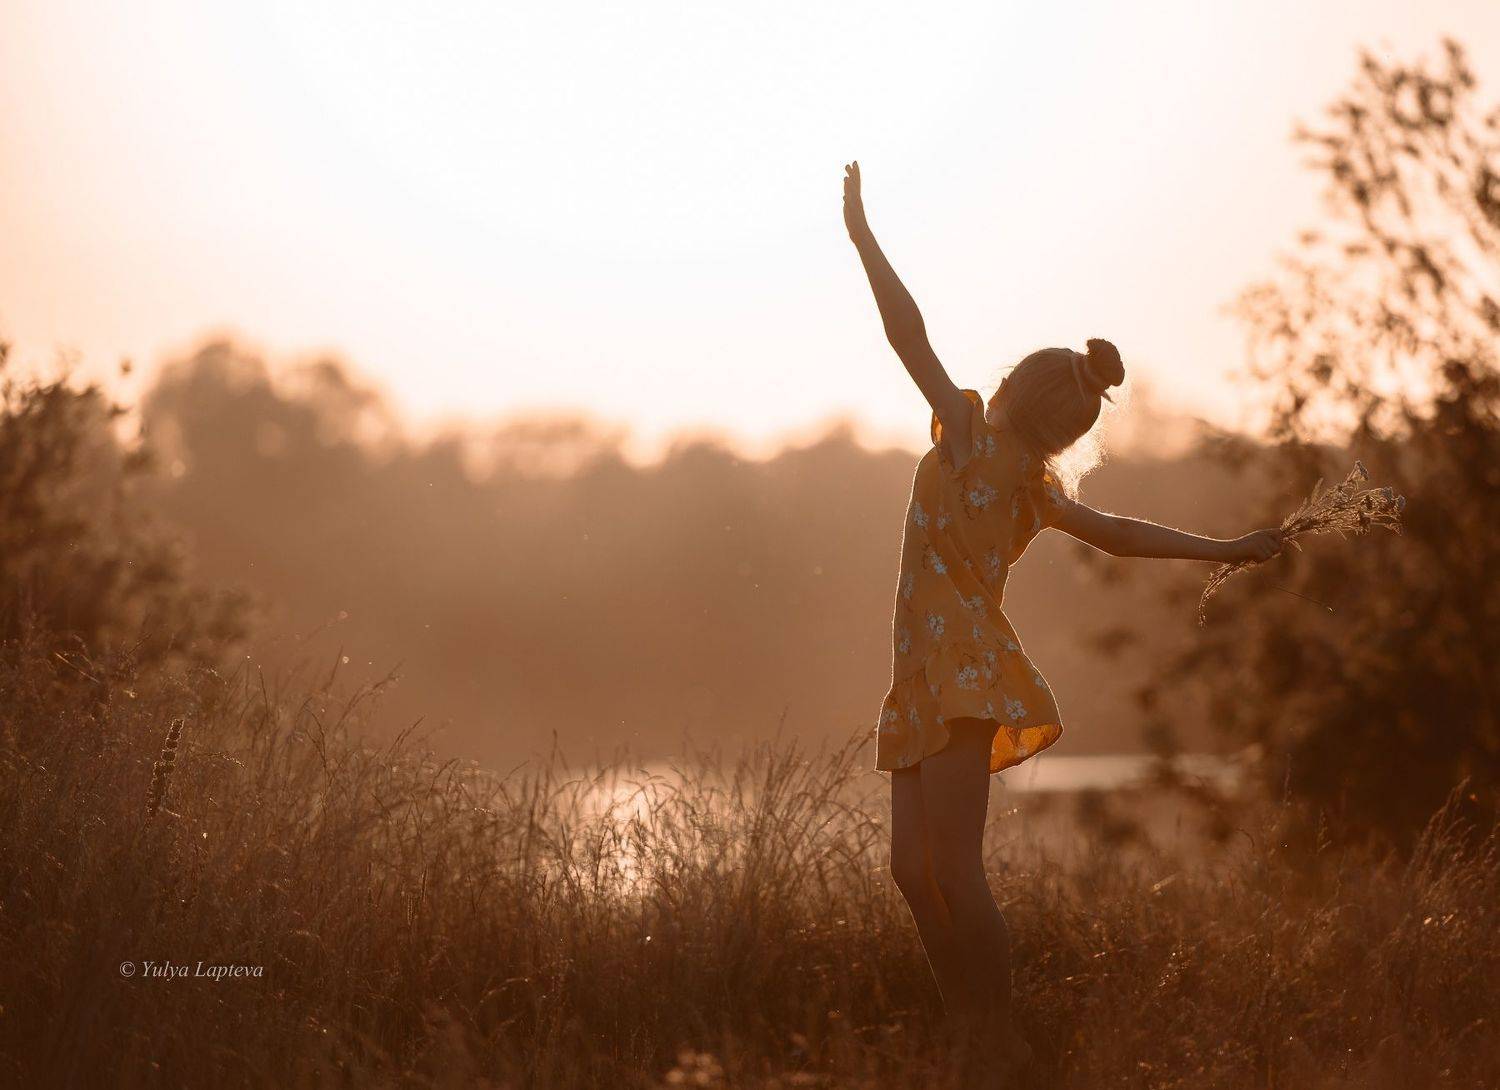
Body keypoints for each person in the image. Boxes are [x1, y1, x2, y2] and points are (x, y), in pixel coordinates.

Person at [842, 160, 1282, 1081]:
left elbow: (906, 333)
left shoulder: (969, 433)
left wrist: (862, 236)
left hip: (957, 671)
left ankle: (995, 1041)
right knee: (912, 875)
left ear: (1014, 388)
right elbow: (1120, 533)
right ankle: (973, 1025)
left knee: (951, 873)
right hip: (925, 674)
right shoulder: (1035, 484)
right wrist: (1226, 548)